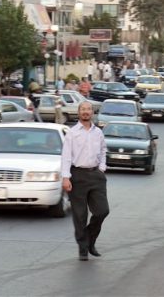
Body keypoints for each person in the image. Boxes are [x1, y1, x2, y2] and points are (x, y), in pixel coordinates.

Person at [61, 101, 109, 261]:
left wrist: (102, 167)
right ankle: (83, 248)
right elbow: (66, 156)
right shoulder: (72, 133)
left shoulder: (98, 133)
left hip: (96, 175)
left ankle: (90, 239)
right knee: (80, 216)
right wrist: (65, 177)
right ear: (79, 112)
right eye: (83, 109)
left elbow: (103, 150)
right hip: (78, 175)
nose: (86, 112)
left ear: (92, 113)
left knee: (102, 211)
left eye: (88, 109)